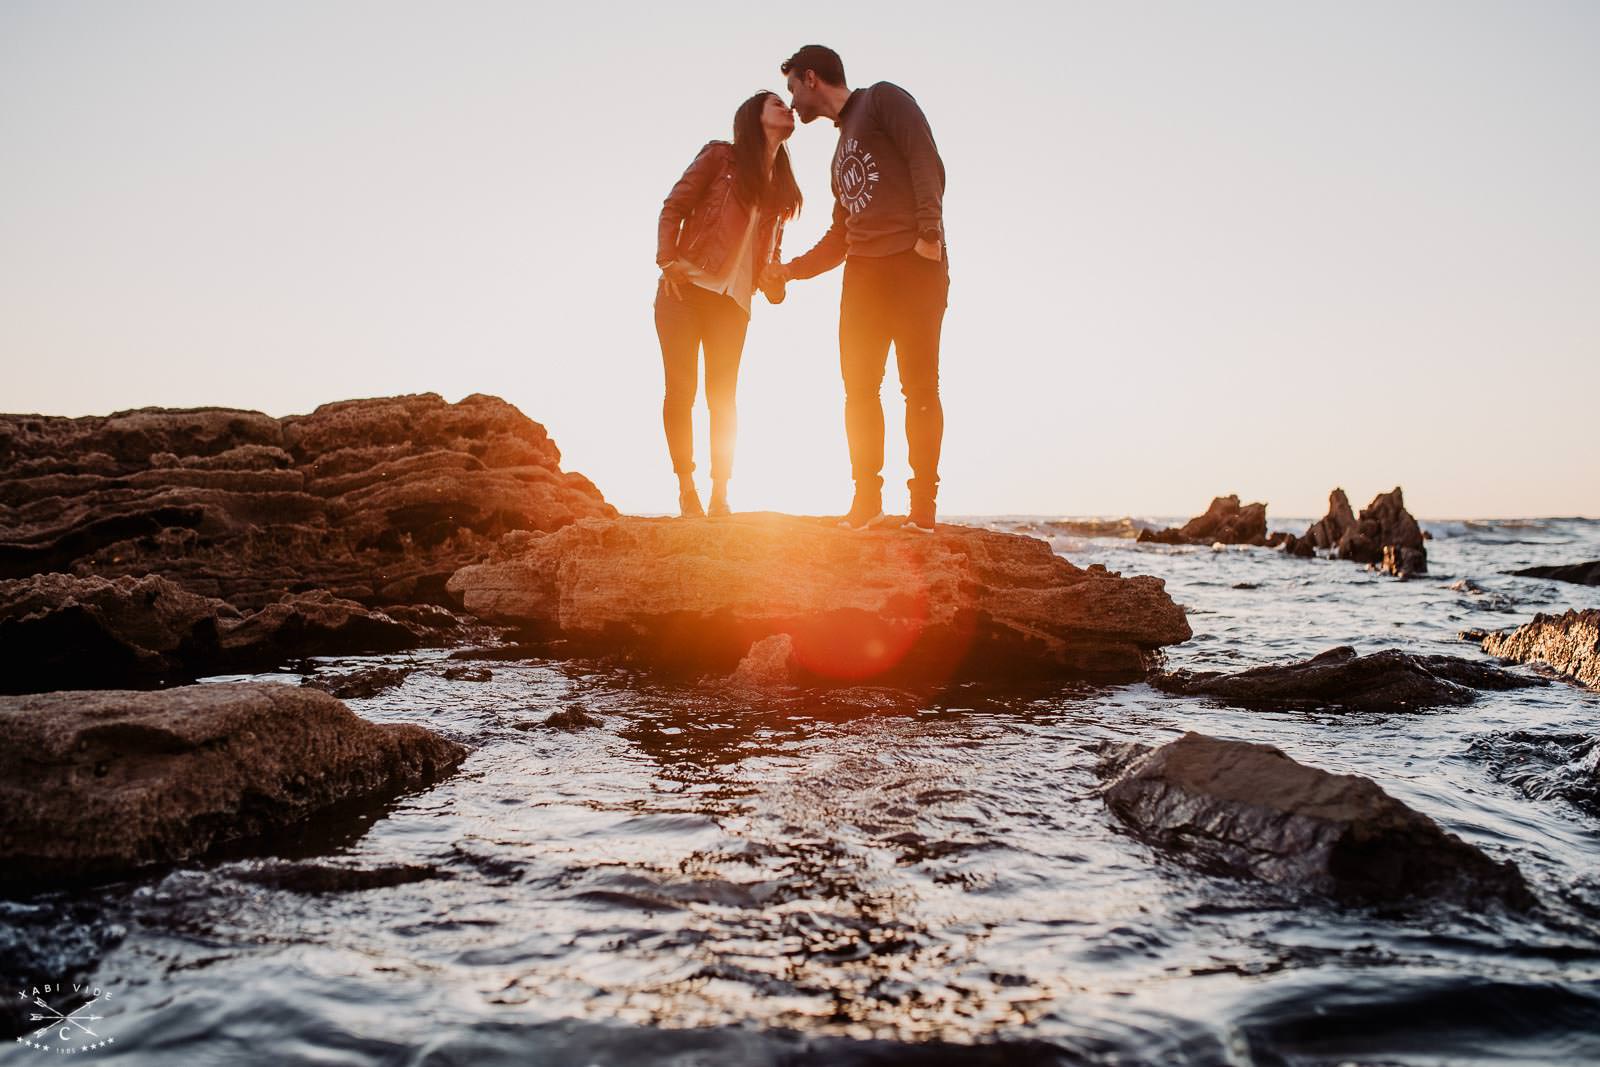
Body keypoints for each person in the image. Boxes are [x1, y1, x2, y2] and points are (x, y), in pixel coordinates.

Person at [764, 44, 949, 532]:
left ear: (810, 78)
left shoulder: (883, 100)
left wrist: (929, 235)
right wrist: (792, 270)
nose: (793, 103)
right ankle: (866, 503)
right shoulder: (838, 151)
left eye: (792, 90)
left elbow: (924, 159)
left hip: (913, 265)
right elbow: (840, 237)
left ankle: (922, 512)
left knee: (920, 389)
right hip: (863, 277)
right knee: (859, 392)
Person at [655, 91, 801, 518]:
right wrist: (667, 260)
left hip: (733, 303)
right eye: (776, 104)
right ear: (754, 117)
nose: (787, 108)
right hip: (685, 292)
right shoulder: (721, 157)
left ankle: (720, 494)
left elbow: (768, 256)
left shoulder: (781, 187)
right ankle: (687, 489)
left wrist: (775, 281)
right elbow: (673, 206)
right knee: (681, 392)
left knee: (724, 398)